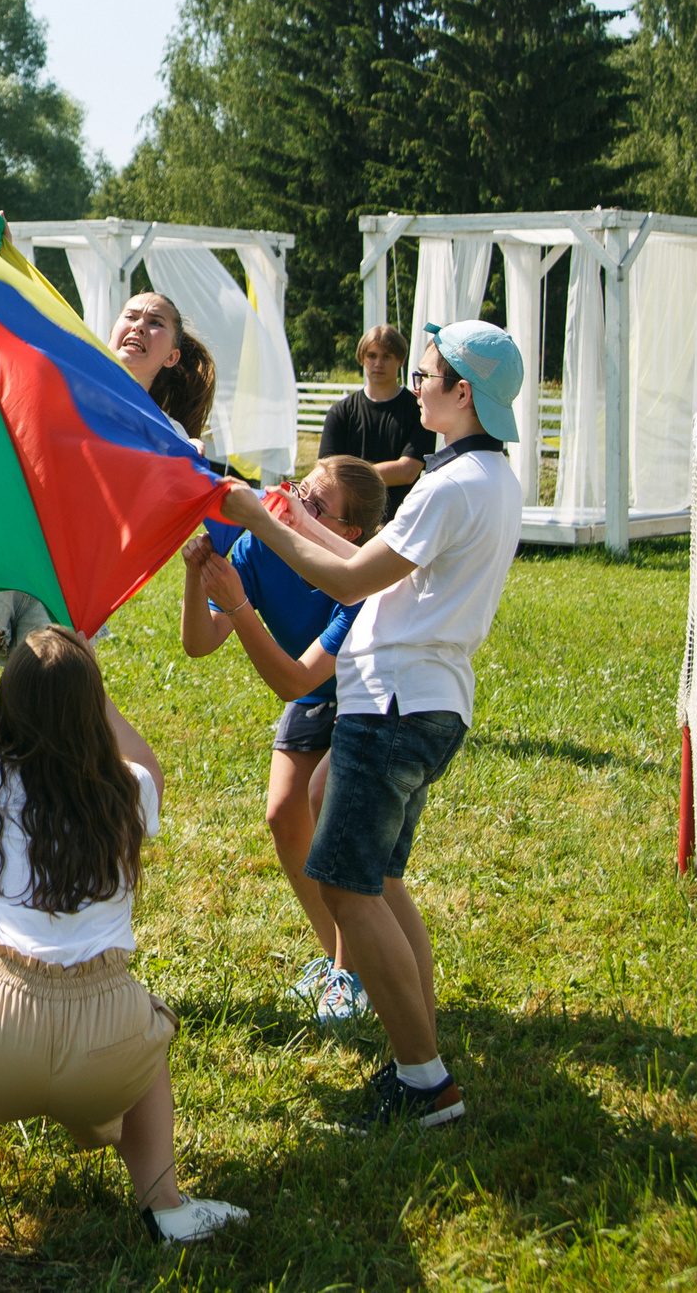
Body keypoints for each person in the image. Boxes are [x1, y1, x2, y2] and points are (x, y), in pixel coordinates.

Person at [0, 564, 248, 1247]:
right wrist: (82, 665)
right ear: (95, 706)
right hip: (108, 1048)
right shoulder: (127, 788)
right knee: (152, 1035)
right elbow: (150, 764)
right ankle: (166, 1204)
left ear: (4, 702)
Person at [216, 319, 524, 1128]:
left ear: (464, 392)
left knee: (347, 889)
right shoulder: (487, 477)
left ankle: (426, 1080)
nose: (414, 385)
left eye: (425, 374)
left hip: (390, 707)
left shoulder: (452, 486)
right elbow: (375, 565)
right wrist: (296, 515)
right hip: (428, 701)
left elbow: (349, 576)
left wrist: (257, 517)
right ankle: (415, 1049)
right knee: (380, 882)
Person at [0, 289, 217, 962]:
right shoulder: (66, 366)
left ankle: (60, 899)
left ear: (172, 354)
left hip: (64, 598)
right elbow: (1, 347)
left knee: (67, 744)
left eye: (157, 322)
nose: (138, 326)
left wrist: (183, 459)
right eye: (132, 315)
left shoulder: (168, 437)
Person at [178, 455, 386, 1024]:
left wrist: (242, 607)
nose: (294, 508)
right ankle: (337, 957)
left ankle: (351, 972)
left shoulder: (361, 580)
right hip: (316, 696)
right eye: (299, 492)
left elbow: (294, 678)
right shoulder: (261, 547)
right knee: (282, 814)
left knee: (336, 828)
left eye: (316, 508)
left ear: (348, 536)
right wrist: (198, 581)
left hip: (368, 700)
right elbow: (199, 643)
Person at [319, 324, 433, 518]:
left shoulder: (419, 409)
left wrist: (348, 476)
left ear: (401, 360)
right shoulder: (341, 413)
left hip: (402, 519)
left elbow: (407, 471)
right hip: (348, 520)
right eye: (372, 355)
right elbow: (326, 473)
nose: (378, 363)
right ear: (362, 359)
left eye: (387, 356)